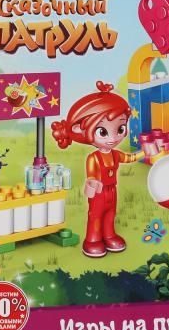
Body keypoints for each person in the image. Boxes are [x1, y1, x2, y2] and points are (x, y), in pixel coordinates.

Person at [51, 81, 152, 258]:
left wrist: (146, 152)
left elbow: (129, 158)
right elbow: (91, 175)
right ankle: (92, 240)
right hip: (99, 193)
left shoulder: (115, 154)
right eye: (103, 132)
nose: (113, 138)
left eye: (120, 129)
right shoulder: (93, 158)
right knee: (96, 216)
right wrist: (91, 182)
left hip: (112, 191)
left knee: (110, 214)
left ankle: (109, 235)